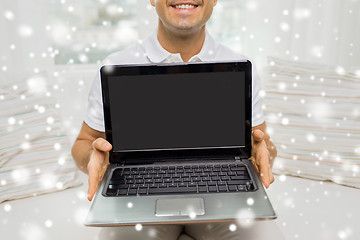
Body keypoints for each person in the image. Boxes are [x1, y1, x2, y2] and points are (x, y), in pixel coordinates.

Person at [72, 0, 280, 239]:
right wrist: (92, 158)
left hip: (224, 199)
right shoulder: (116, 65)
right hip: (139, 195)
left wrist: (263, 154)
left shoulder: (240, 66)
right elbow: (83, 143)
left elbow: (264, 146)